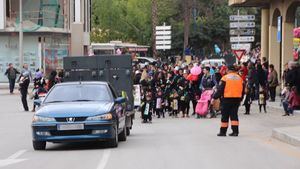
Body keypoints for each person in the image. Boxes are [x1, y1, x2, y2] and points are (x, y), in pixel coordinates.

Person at [212, 65, 244, 137]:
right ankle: (235, 132)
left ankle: (223, 132)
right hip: (236, 99)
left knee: (225, 116)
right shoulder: (239, 78)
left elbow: (220, 89)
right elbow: (243, 89)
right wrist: (241, 98)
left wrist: (214, 97)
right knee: (234, 115)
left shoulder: (225, 78)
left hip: (227, 99)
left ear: (228, 70)